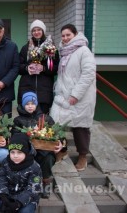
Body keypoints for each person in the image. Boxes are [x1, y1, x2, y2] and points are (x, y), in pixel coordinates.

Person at [50, 24, 96, 171]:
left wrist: (76, 94)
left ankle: (82, 156)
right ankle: (61, 151)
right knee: (57, 124)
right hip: (63, 96)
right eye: (63, 35)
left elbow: (88, 74)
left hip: (79, 97)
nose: (65, 38)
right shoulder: (63, 52)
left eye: (68, 35)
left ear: (75, 34)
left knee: (80, 127)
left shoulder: (84, 51)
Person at [12, 91, 63, 198]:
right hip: (27, 151)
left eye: (32, 103)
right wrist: (28, 133)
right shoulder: (18, 120)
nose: (30, 106)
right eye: (27, 104)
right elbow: (14, 137)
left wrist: (61, 144)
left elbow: (57, 135)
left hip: (44, 152)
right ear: (23, 105)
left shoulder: (46, 118)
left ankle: (45, 183)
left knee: (48, 157)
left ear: (37, 104)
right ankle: (27, 184)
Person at [0, 133, 42, 213]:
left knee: (25, 211)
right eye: (12, 152)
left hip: (28, 199)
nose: (15, 156)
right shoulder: (6, 162)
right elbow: (1, 179)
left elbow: (34, 189)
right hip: (9, 194)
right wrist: (3, 196)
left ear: (26, 152)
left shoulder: (35, 167)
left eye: (19, 152)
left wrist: (18, 203)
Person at [18, 19, 60, 114]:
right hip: (27, 89)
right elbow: (18, 67)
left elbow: (56, 68)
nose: (36, 32)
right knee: (27, 120)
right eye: (34, 30)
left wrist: (44, 68)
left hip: (44, 90)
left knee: (42, 121)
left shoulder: (51, 48)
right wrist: (27, 68)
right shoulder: (25, 48)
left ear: (43, 31)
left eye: (39, 30)